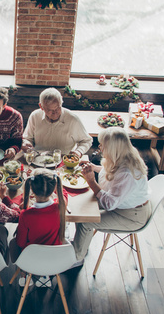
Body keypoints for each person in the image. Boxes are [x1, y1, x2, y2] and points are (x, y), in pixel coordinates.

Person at [71, 127, 151, 266]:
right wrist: (94, 168)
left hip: (130, 215)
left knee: (85, 220)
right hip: (123, 204)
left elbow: (109, 203)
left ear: (113, 148)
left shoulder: (127, 173)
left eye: (103, 145)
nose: (100, 147)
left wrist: (91, 181)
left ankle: (77, 258)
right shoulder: (124, 155)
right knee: (81, 207)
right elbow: (112, 172)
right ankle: (81, 245)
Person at [8, 168, 68, 264]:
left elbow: (20, 243)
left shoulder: (26, 214)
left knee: (12, 243)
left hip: (31, 260)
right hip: (55, 259)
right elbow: (64, 194)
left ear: (31, 188)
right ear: (54, 188)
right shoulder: (60, 206)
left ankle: (24, 272)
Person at [22, 87, 92, 158]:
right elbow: (27, 138)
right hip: (38, 159)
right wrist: (26, 143)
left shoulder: (73, 119)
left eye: (58, 108)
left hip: (63, 161)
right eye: (50, 110)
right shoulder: (35, 116)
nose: (55, 113)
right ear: (41, 106)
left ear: (61, 100)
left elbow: (87, 140)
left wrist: (79, 151)